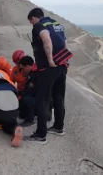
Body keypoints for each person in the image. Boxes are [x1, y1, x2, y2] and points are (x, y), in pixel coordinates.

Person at [24, 8, 72, 144]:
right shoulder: (57, 25)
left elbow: (46, 40)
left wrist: (50, 60)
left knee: (42, 99)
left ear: (33, 18)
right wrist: (64, 61)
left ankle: (41, 135)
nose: (32, 25)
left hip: (48, 68)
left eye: (31, 21)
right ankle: (58, 127)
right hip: (62, 66)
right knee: (58, 96)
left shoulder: (39, 26)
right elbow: (64, 43)